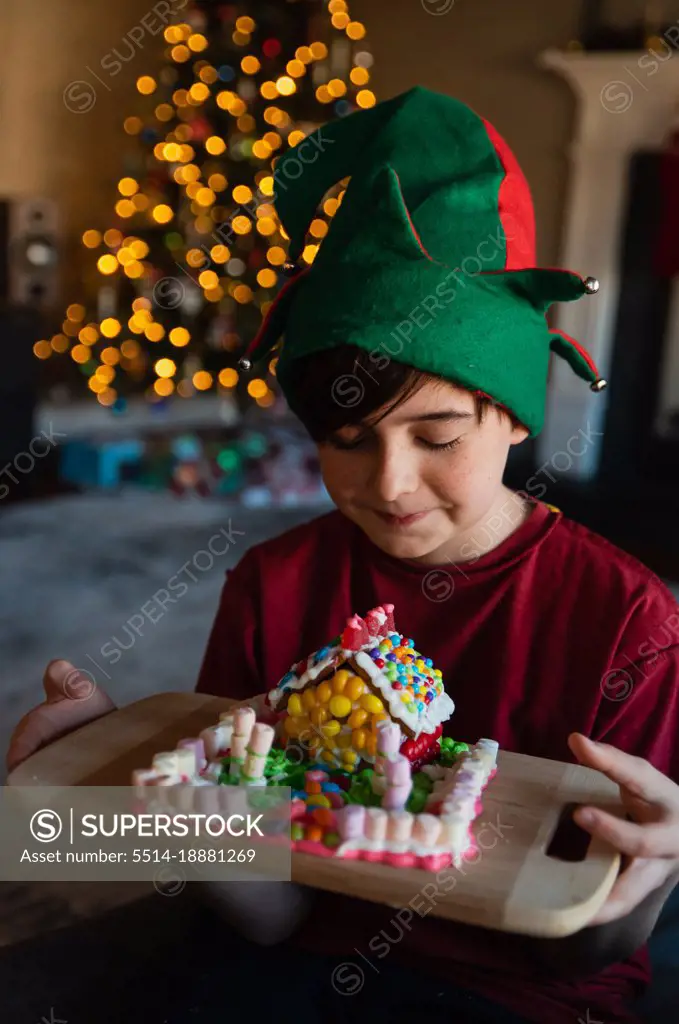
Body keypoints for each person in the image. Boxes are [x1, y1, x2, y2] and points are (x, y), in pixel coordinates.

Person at [7, 87, 679, 1024]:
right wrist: (165, 780)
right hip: (297, 965)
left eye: (437, 437)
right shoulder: (272, 586)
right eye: (349, 438)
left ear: (514, 418)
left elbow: (591, 954)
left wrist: (650, 876)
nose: (390, 484)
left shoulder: (630, 620)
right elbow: (270, 920)